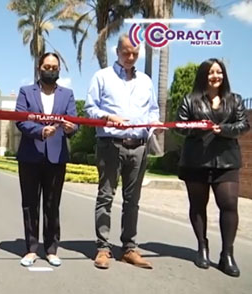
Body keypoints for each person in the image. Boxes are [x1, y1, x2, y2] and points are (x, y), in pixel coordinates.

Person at [84, 33, 162, 270]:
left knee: (133, 201)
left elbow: (153, 111)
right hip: (110, 144)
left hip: (138, 146)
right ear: (117, 51)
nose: (130, 57)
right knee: (106, 197)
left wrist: (152, 128)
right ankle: (103, 248)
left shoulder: (146, 81)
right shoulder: (102, 77)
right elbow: (90, 108)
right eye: (126, 52)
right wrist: (108, 117)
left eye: (135, 53)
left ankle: (129, 248)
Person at [176, 58, 250, 277]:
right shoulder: (190, 100)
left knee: (229, 204)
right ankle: (202, 246)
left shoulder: (235, 100)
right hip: (196, 161)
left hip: (226, 161)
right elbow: (180, 126)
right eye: (210, 72)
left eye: (219, 72)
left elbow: (244, 125)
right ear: (203, 75)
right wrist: (198, 128)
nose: (215, 76)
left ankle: (227, 254)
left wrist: (223, 129)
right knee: (198, 205)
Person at [15, 52, 77, 267]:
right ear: (39, 68)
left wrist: (71, 127)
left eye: (54, 67)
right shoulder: (26, 92)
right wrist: (40, 131)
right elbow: (20, 120)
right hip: (30, 156)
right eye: (47, 66)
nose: (51, 70)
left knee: (52, 205)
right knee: (30, 204)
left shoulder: (67, 94)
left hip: (56, 157)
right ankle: (31, 249)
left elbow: (74, 120)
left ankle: (51, 249)